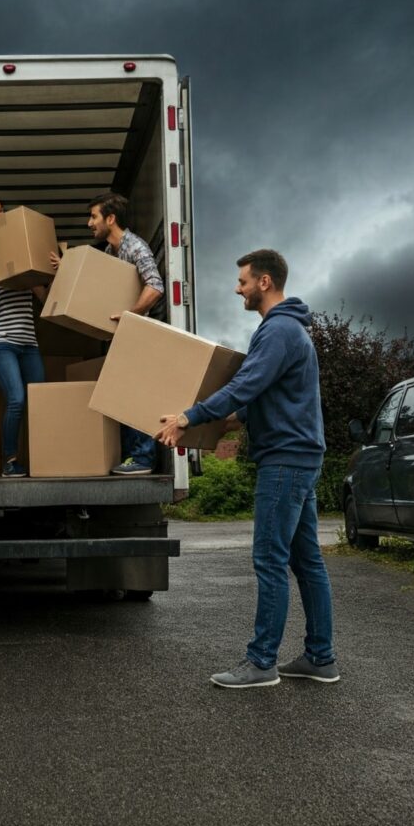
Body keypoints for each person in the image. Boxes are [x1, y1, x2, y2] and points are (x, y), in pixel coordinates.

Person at [156, 249, 338, 689]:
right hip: (300, 457)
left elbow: (247, 384)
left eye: (243, 281)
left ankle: (261, 663)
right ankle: (320, 658)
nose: (237, 288)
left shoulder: (278, 331)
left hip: (285, 461)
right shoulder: (288, 331)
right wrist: (233, 420)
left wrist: (189, 416)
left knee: (270, 560)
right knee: (306, 561)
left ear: (265, 282)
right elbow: (269, 398)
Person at [82, 191, 165, 475]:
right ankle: (132, 455)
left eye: (94, 217)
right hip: (122, 335)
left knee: (135, 395)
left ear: (111, 218)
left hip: (139, 333)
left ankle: (143, 457)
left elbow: (155, 287)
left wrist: (132, 314)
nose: (89, 223)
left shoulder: (135, 247)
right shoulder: (109, 253)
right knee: (119, 394)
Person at [0, 195, 48, 478]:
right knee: (16, 399)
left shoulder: (24, 263)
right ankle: (9, 459)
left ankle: (44, 456)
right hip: (2, 342)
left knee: (40, 399)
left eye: (2, 210)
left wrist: (50, 272)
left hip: (29, 343)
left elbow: (45, 298)